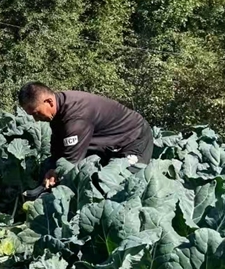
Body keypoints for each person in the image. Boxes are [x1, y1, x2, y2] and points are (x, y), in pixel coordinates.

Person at [18, 82, 153, 194]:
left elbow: (72, 161)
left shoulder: (76, 116)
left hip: (133, 138)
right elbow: (58, 151)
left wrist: (55, 172)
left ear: (49, 102)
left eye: (36, 113)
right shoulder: (57, 110)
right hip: (108, 142)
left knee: (123, 187)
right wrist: (51, 169)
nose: (35, 119)